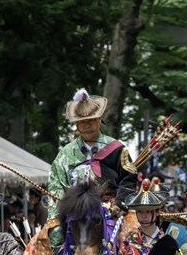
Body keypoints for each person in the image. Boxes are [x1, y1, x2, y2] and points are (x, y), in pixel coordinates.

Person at [46, 88, 137, 221]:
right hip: (74, 214)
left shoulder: (117, 148)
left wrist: (120, 204)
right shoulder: (65, 154)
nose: (86, 124)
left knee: (133, 237)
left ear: (99, 119)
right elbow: (55, 187)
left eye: (91, 119)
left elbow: (129, 178)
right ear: (76, 124)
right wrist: (56, 220)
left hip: (112, 212)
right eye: (82, 121)